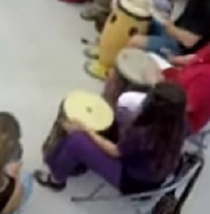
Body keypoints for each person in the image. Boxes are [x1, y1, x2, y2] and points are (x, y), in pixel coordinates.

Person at [36, 82, 188, 194]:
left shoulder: (143, 134)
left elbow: (115, 151)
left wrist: (85, 129)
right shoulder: (179, 124)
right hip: (153, 175)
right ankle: (70, 162)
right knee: (109, 125)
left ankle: (57, 179)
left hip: (132, 181)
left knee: (76, 141)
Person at [142, 13, 210, 135]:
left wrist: (155, 83)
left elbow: (182, 106)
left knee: (131, 100)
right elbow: (196, 57)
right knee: (148, 58)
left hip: (179, 117)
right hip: (179, 84)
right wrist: (173, 60)